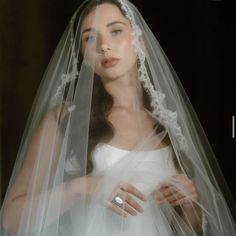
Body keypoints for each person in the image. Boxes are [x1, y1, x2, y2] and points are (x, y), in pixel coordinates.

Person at [1, 0, 236, 235]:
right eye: (90, 38)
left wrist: (187, 204)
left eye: (116, 31)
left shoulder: (169, 125)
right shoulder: (65, 120)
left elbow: (187, 230)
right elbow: (11, 221)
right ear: (83, 54)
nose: (104, 46)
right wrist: (81, 188)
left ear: (140, 41)